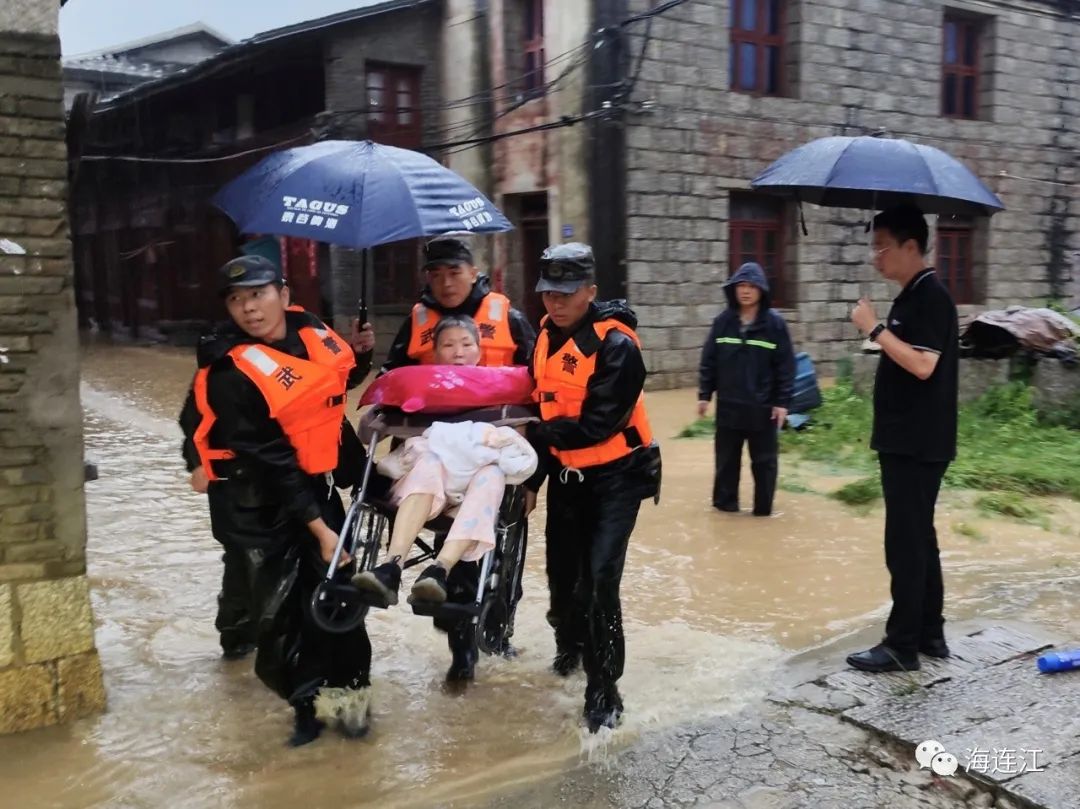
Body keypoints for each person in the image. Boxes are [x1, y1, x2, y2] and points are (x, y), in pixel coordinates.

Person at [178, 255, 376, 746]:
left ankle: (350, 700)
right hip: (255, 502)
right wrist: (322, 530)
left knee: (339, 599)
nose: (248, 307)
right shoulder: (229, 369)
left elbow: (325, 391)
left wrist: (363, 357)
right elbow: (271, 457)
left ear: (284, 296)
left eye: (258, 294)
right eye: (236, 299)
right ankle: (305, 707)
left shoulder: (311, 335)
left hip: (315, 487)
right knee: (280, 615)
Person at [380, 235, 537, 682]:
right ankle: (455, 634)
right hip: (434, 456)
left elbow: (538, 397)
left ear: (473, 271)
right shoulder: (418, 322)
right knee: (450, 573)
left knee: (492, 564)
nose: (446, 282)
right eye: (436, 273)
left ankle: (486, 644)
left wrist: (531, 482)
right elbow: (393, 388)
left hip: (492, 460)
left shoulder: (508, 317)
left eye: (455, 272)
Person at [526, 243, 662, 733]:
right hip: (567, 477)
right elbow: (539, 409)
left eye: (566, 293)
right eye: (548, 292)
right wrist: (532, 479)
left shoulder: (617, 347)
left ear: (590, 291)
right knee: (563, 583)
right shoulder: (541, 337)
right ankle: (570, 642)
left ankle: (604, 687)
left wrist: (534, 437)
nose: (555, 303)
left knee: (600, 577)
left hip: (618, 476)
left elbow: (599, 424)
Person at [352, 315, 537, 607]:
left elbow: (522, 446)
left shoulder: (502, 389)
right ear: (435, 352)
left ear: (479, 350)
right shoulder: (414, 386)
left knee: (493, 473)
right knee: (428, 459)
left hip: (474, 495)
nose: (458, 352)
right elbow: (369, 428)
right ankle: (391, 568)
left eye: (466, 344)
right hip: (422, 492)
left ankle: (439, 570)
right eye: (448, 345)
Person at [846, 205, 959, 673]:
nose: (876, 257)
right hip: (911, 439)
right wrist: (880, 333)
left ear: (911, 247)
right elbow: (908, 354)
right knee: (919, 539)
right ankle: (930, 634)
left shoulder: (929, 297)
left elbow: (922, 364)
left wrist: (872, 327)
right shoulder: (911, 296)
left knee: (905, 543)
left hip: (915, 443)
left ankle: (901, 645)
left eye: (881, 246)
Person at [697, 262, 795, 516]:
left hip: (763, 410)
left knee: (764, 465)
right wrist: (704, 395)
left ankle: (763, 513)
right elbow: (709, 360)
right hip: (729, 407)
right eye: (741, 285)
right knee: (726, 464)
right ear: (733, 290)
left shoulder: (775, 325)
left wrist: (782, 403)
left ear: (762, 290)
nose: (746, 291)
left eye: (752, 286)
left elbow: (786, 366)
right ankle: (725, 512)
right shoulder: (723, 322)